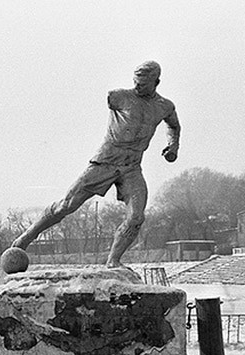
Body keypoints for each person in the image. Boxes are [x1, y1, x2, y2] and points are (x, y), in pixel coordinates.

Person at [12, 60, 181, 269]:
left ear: (157, 82)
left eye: (143, 84)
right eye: (136, 82)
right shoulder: (119, 97)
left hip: (132, 167)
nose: (138, 86)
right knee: (67, 205)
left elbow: (174, 126)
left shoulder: (164, 106)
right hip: (105, 161)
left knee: (136, 216)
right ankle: (25, 239)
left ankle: (113, 261)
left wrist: (173, 146)